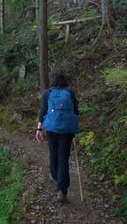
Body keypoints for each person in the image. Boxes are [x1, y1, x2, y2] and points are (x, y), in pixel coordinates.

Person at [35, 69, 79, 203]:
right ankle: (62, 190)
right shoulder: (70, 93)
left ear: (52, 79)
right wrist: (73, 127)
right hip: (67, 131)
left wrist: (39, 129)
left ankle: (56, 177)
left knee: (53, 154)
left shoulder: (48, 93)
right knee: (64, 158)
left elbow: (42, 112)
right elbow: (76, 112)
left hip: (52, 130)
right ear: (64, 79)